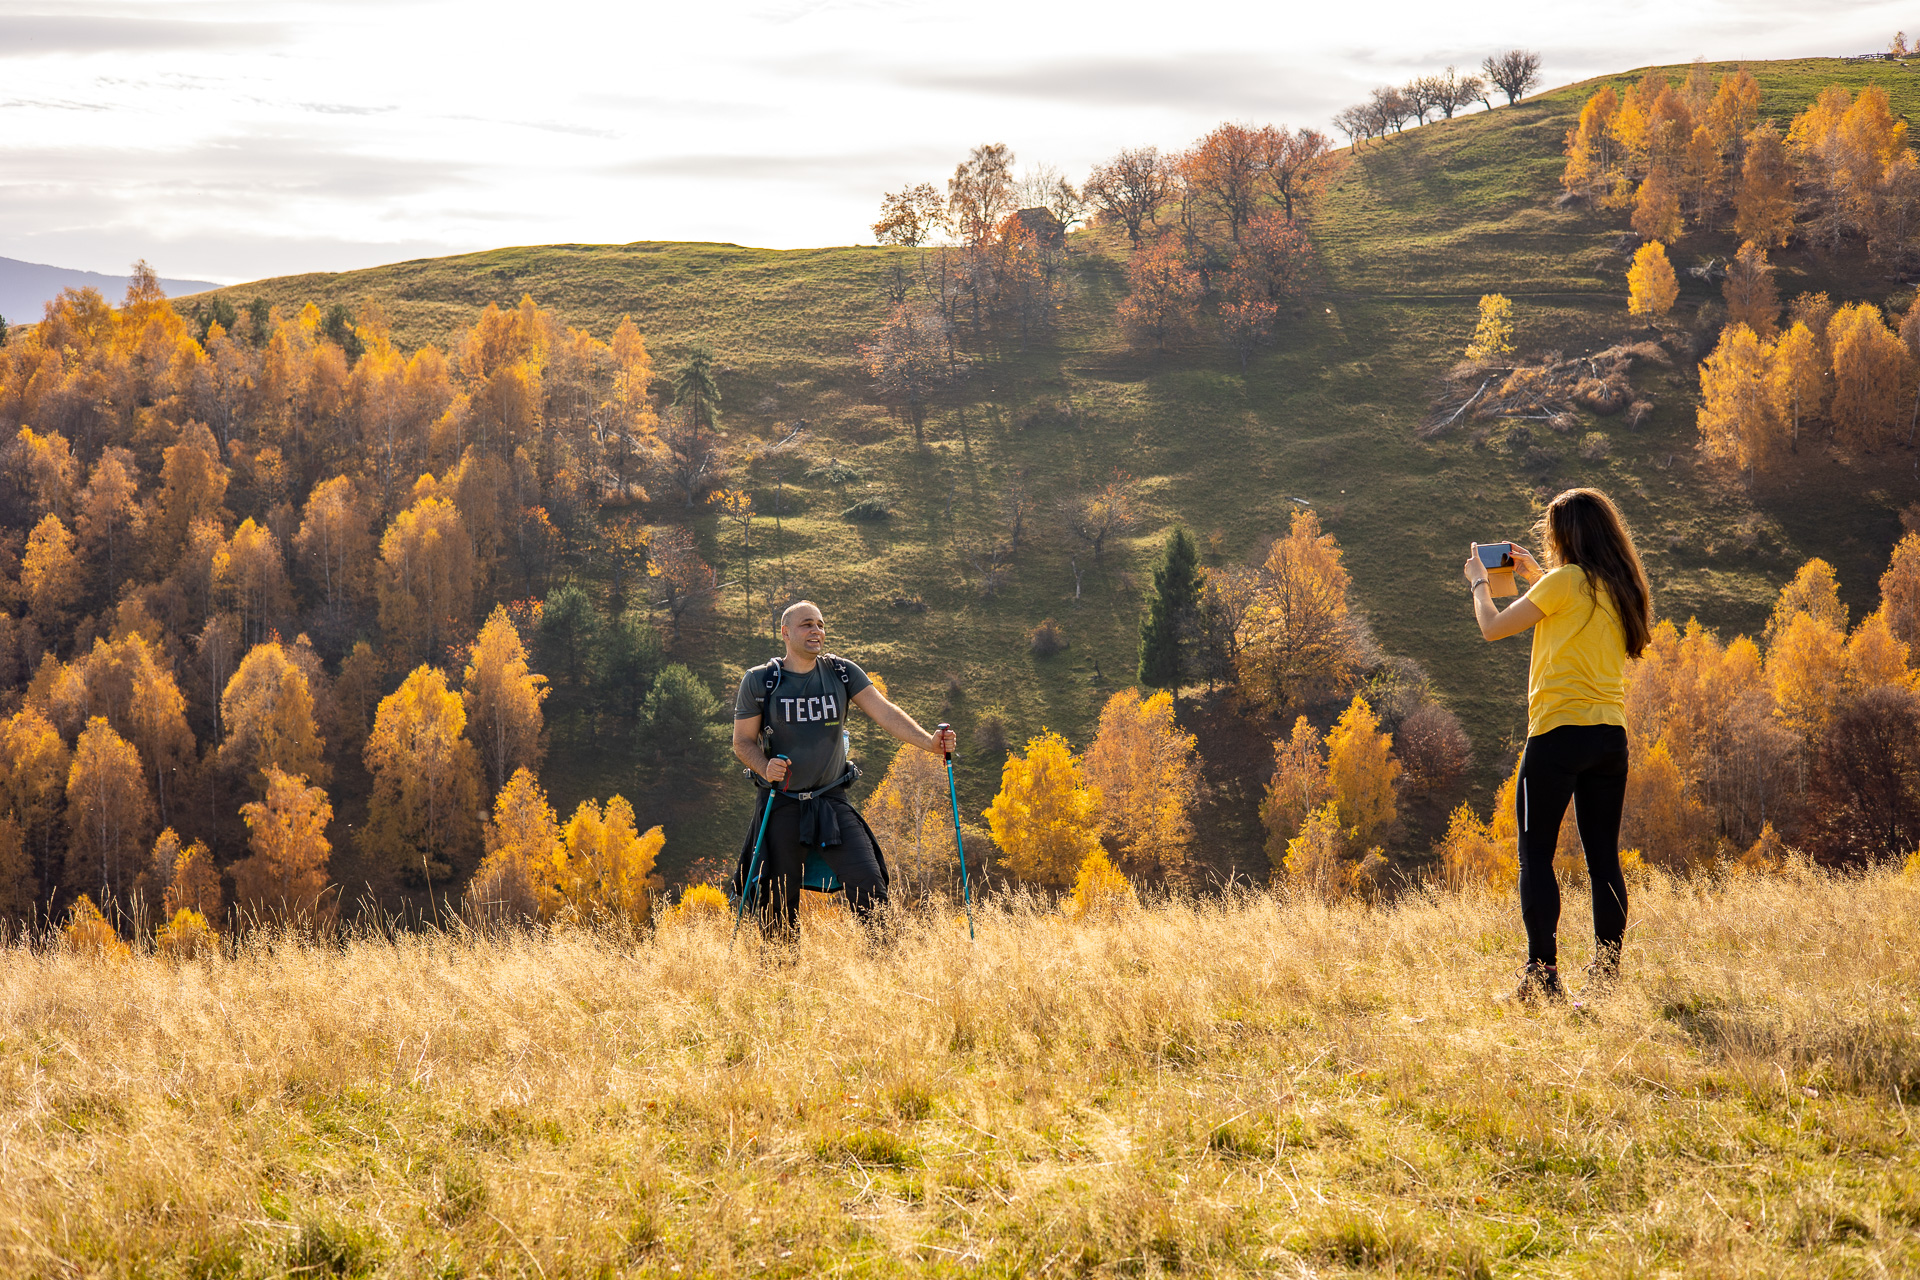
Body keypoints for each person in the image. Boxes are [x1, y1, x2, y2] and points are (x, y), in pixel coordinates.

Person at [1462, 488, 1653, 1004]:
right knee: (1602, 860)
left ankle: (1542, 977)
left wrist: (1481, 584)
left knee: (1536, 857)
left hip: (1556, 736)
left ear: (1565, 537)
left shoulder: (1565, 583)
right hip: (1610, 740)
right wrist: (1532, 575)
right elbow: (1573, 603)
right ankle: (1607, 976)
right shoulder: (1620, 587)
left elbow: (1493, 627)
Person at [730, 599, 957, 939]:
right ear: (785, 633)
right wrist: (765, 766)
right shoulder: (761, 681)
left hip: (830, 799)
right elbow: (742, 742)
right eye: (807, 624)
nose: (816, 630)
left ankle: (887, 967)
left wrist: (931, 743)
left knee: (870, 883)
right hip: (781, 803)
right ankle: (779, 980)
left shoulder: (841, 672)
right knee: (776, 903)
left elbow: (885, 712)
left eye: (820, 624)